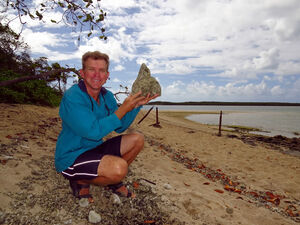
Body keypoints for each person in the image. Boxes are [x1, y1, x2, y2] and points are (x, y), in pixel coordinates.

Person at [55, 51, 158, 202]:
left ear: (107, 75)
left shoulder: (106, 96)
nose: (97, 75)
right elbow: (93, 131)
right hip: (71, 157)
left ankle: (112, 181)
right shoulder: (73, 96)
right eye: (91, 69)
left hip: (94, 150)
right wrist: (124, 108)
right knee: (119, 168)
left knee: (137, 139)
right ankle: (81, 181)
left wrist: (135, 105)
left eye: (101, 70)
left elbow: (120, 127)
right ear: (82, 73)